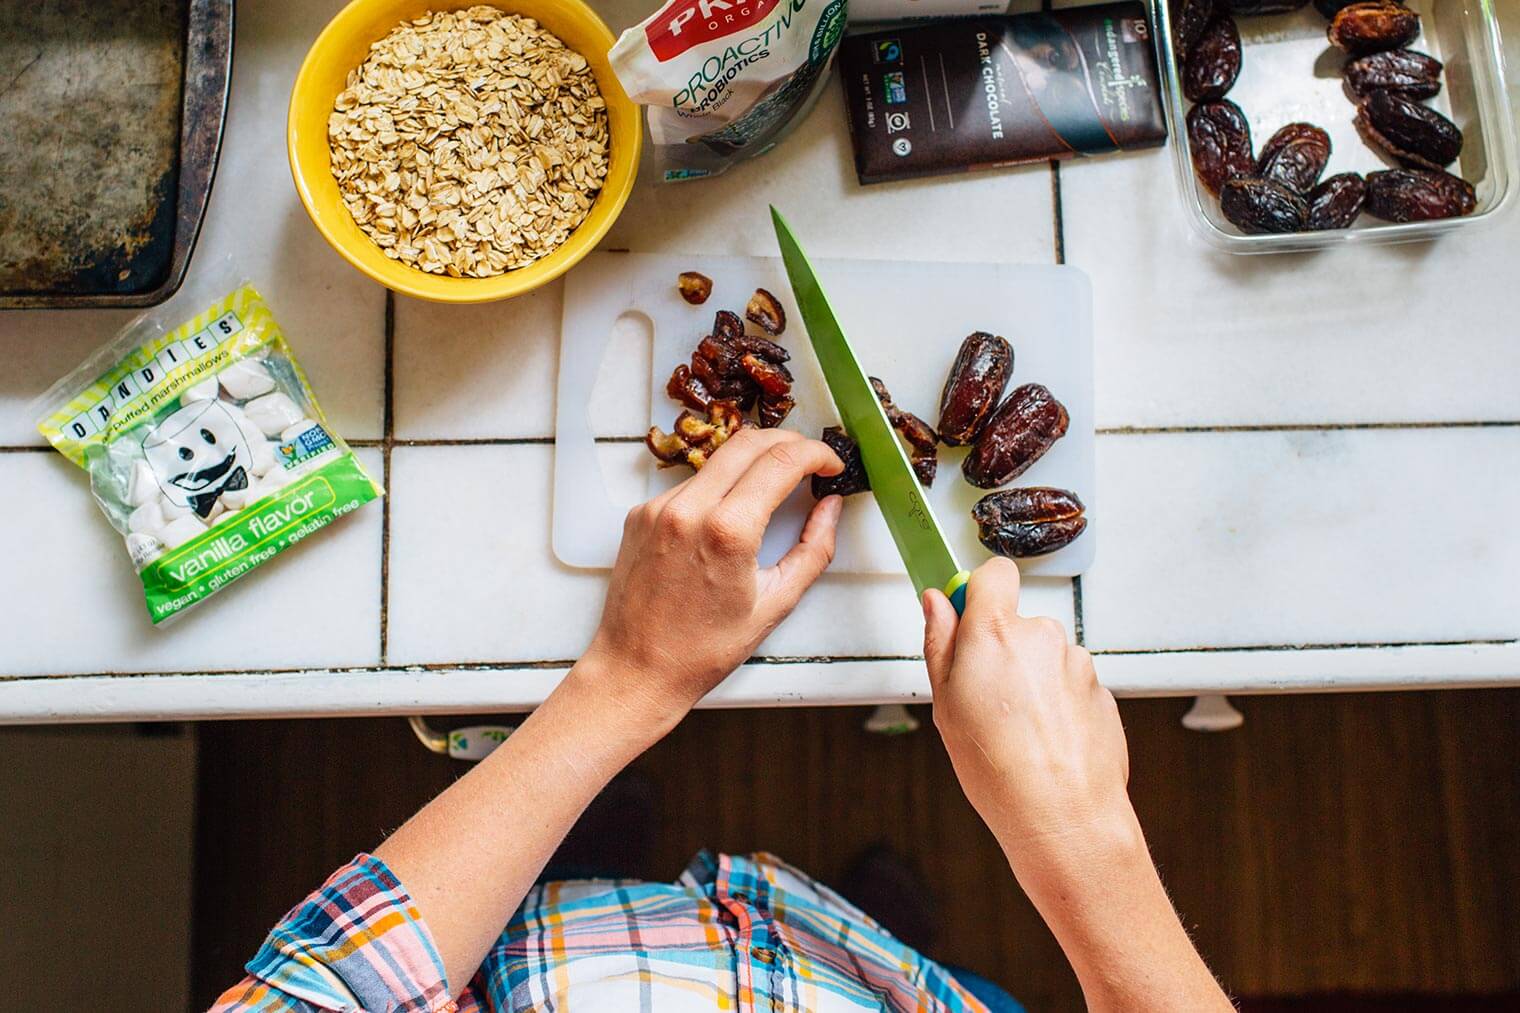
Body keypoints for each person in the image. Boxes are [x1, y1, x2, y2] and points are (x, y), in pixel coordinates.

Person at [213, 429, 1231, 1012]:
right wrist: (1076, 833)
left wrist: (630, 679)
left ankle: (591, 864)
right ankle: (879, 936)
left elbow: (327, 987)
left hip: (544, 970)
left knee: (562, 879)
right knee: (929, 975)